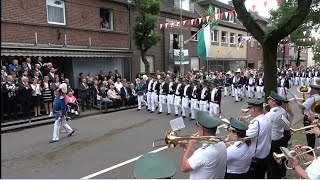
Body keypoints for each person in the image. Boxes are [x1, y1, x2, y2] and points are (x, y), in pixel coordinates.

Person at [179, 111, 227, 179]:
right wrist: (187, 147)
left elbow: (183, 168)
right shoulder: (221, 143)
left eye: (198, 129)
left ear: (202, 131)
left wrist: (190, 146)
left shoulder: (203, 152)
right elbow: (201, 160)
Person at [238, 99, 272, 179]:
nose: (249, 111)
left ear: (254, 109)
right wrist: (245, 121)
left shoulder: (256, 123)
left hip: (257, 158)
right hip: (265, 154)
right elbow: (258, 129)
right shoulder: (266, 118)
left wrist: (234, 129)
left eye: (249, 108)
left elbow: (244, 136)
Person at [264, 91, 288, 179]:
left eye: (269, 100)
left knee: (272, 165)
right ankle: (281, 175)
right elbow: (286, 125)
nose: (268, 101)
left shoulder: (271, 114)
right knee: (280, 162)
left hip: (273, 141)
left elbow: (263, 126)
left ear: (274, 102)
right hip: (281, 138)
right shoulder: (283, 111)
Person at [295, 84, 320, 149]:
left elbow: (302, 106)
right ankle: (311, 147)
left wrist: (296, 100)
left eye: (311, 89)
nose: (310, 90)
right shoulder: (318, 97)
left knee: (309, 135)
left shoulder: (312, 98)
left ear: (314, 90)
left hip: (309, 118)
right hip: (315, 116)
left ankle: (310, 150)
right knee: (312, 133)